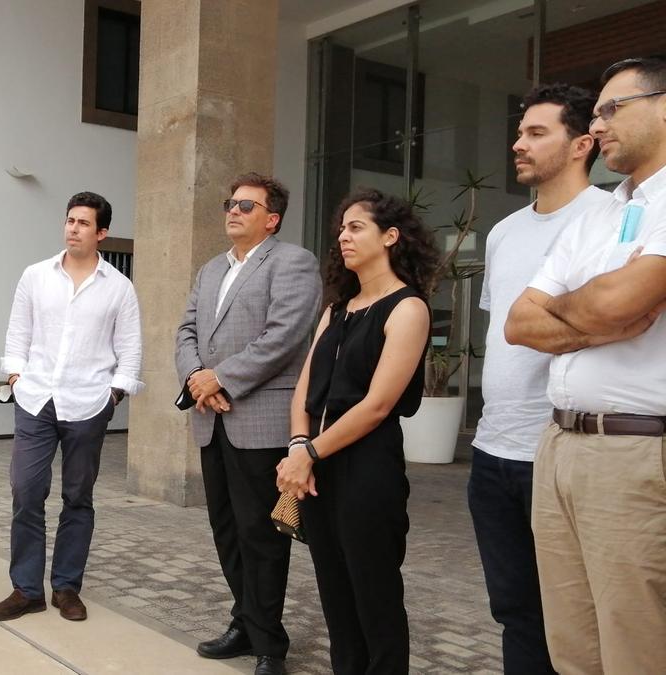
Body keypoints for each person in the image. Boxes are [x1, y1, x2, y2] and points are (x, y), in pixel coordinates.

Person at [505, 56, 666, 674]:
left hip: (632, 453)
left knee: (636, 644)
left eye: (610, 109)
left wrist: (595, 307)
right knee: (571, 644)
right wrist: (601, 318)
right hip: (560, 444)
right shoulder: (599, 211)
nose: (597, 126)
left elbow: (623, 300)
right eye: (595, 113)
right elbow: (521, 322)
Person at [469, 83, 605, 675]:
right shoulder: (502, 232)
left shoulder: (610, 218)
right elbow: (507, 330)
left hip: (563, 449)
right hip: (491, 450)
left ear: (582, 144)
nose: (517, 143)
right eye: (520, 132)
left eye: (536, 133)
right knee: (514, 608)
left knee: (581, 617)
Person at [277, 189, 437, 674]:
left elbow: (378, 405)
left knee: (375, 598)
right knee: (336, 599)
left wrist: (308, 454)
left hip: (368, 469)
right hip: (317, 466)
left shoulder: (408, 309)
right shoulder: (337, 308)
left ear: (391, 237)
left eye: (356, 227)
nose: (343, 237)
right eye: (341, 229)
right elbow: (305, 389)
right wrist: (298, 445)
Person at [175, 173, 321, 675]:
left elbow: (284, 337)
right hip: (210, 419)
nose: (232, 211)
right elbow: (187, 329)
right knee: (226, 530)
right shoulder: (211, 268)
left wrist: (220, 379)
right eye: (229, 203)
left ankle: (269, 646)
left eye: (246, 205)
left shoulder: (293, 263)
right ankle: (245, 621)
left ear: (271, 217)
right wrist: (196, 377)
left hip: (259, 421)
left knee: (261, 535)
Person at [0, 191, 142, 623]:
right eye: (70, 220)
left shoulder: (119, 288)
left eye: (83, 223)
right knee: (26, 490)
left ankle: (67, 587)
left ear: (102, 232)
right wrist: (16, 377)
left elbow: (129, 350)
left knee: (78, 498)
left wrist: (113, 394)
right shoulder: (35, 276)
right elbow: (18, 333)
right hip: (36, 400)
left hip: (89, 403)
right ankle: (26, 589)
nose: (73, 228)